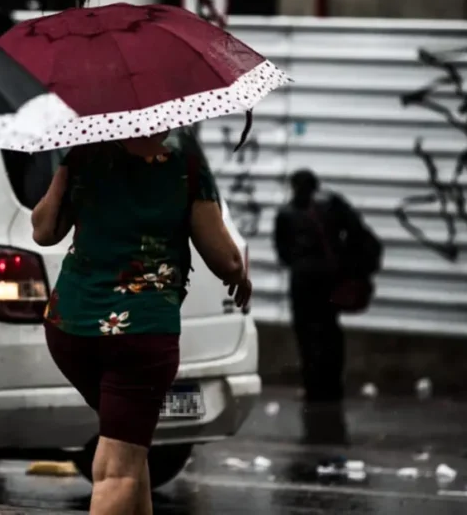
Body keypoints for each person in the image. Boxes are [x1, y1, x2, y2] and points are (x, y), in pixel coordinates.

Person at [31, 131, 251, 515]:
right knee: (118, 470)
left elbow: (44, 231)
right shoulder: (185, 163)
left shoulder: (85, 153)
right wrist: (239, 274)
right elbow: (224, 258)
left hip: (70, 329)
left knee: (128, 445)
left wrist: (67, 167)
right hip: (140, 335)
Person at [273, 169, 371, 404]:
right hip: (330, 279)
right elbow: (357, 231)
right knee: (329, 331)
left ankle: (313, 388)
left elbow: (282, 251)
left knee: (306, 335)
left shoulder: (285, 214)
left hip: (302, 281)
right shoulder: (332, 206)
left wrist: (299, 262)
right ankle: (332, 386)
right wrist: (343, 260)